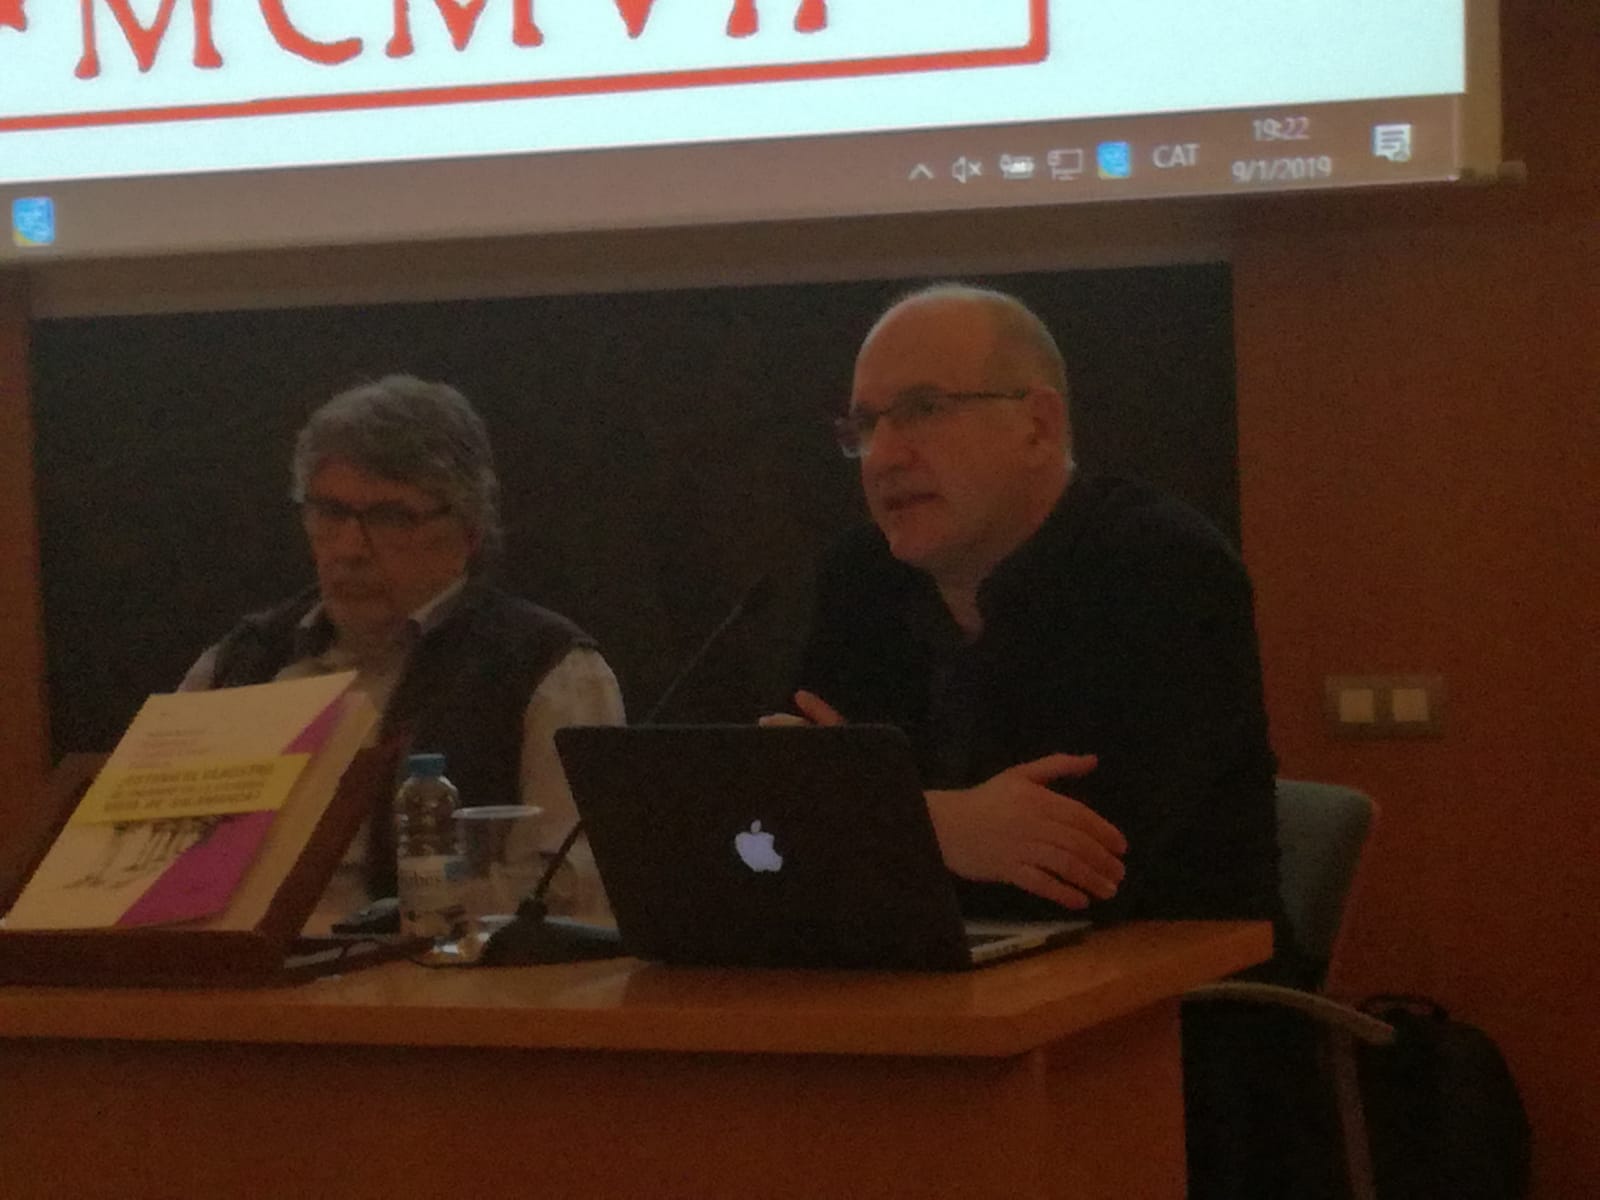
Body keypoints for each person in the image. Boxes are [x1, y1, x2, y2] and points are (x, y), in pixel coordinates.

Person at [782, 282, 1282, 934]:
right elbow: (777, 824)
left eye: (924, 409)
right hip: (909, 972)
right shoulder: (862, 577)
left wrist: (858, 816)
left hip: (1164, 980)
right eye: (866, 425)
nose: (882, 456)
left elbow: (1078, 871)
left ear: (1038, 427)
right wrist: (938, 825)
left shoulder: (1160, 567)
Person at [180, 374, 623, 929]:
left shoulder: (546, 670)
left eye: (390, 518)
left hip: (422, 972)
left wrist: (399, 922)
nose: (349, 549)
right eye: (329, 512)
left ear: (468, 533)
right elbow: (142, 862)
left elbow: (571, 899)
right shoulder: (237, 663)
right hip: (226, 968)